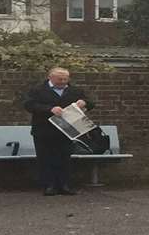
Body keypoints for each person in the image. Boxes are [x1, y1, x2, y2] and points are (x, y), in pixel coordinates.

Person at [22, 66, 96, 196]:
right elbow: (29, 105)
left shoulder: (75, 91)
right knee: (45, 159)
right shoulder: (38, 90)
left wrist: (84, 103)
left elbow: (91, 103)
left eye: (65, 79)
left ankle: (64, 185)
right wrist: (49, 109)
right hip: (44, 130)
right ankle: (49, 186)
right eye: (60, 79)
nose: (63, 82)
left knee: (65, 158)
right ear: (50, 78)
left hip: (68, 130)